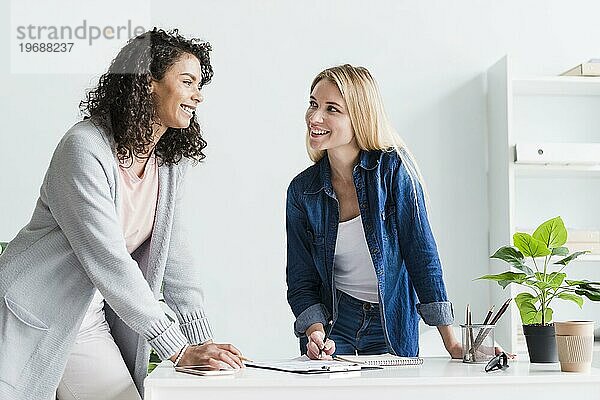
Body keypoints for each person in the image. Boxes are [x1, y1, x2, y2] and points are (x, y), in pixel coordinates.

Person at [0, 28, 244, 400]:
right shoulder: (83, 149)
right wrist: (176, 348)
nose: (198, 95)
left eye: (200, 84)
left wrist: (202, 344)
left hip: (88, 317)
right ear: (149, 82)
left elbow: (176, 258)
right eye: (187, 81)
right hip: (33, 313)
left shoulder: (168, 163)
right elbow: (108, 259)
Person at [286, 64, 472, 360]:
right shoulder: (302, 191)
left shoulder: (394, 170)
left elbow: (421, 255)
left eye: (332, 109)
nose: (315, 117)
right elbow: (301, 278)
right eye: (313, 104)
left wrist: (453, 343)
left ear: (359, 117)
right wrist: (315, 333)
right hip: (336, 321)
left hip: (392, 320)